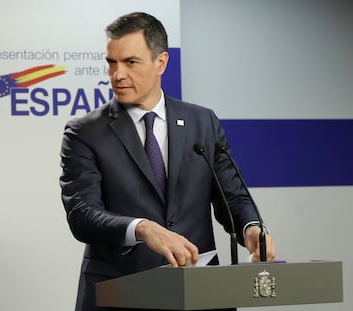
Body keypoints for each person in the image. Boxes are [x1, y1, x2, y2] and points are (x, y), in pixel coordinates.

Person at [60, 11, 275, 311]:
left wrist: (251, 228)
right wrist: (143, 228)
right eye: (112, 63)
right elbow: (82, 215)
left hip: (199, 292)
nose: (117, 74)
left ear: (160, 62)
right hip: (120, 294)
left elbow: (232, 196)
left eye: (130, 62)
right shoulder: (84, 132)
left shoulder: (203, 122)